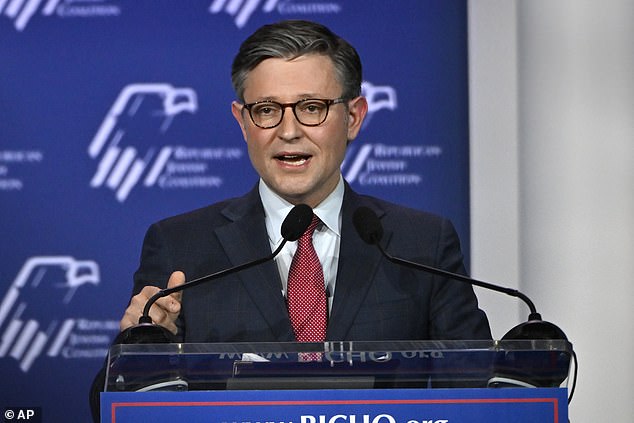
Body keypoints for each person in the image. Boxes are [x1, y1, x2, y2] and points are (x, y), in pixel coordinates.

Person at [118, 19, 491, 344]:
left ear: (354, 117)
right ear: (242, 122)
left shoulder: (421, 244)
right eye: (267, 110)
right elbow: (112, 403)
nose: (289, 131)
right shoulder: (180, 246)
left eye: (311, 107)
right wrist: (138, 347)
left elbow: (482, 392)